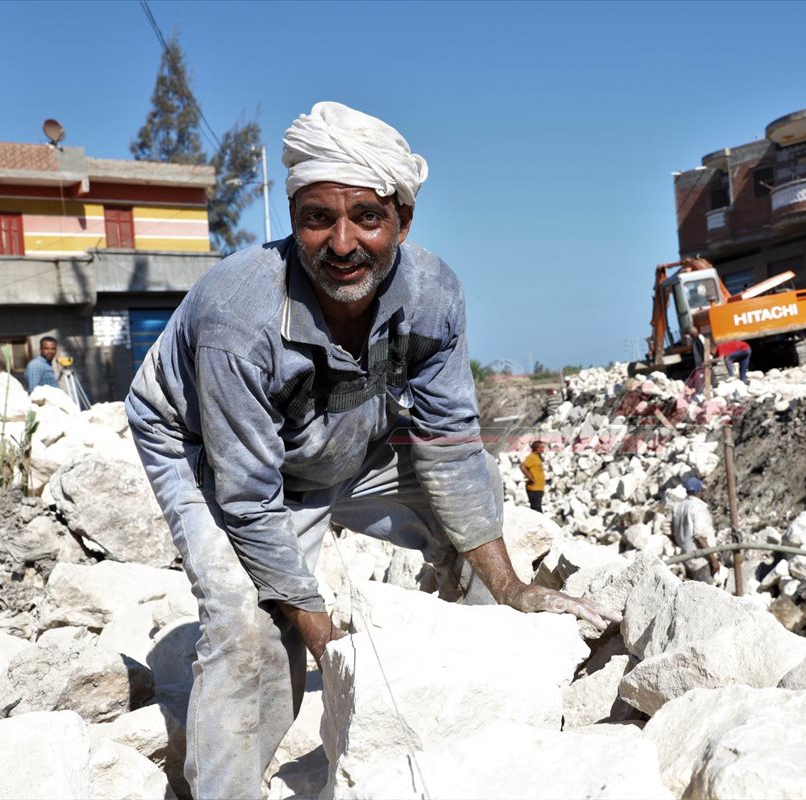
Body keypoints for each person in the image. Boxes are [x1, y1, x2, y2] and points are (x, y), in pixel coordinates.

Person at [125, 101, 619, 799]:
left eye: (367, 217)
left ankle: (473, 707)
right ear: (293, 219)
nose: (342, 243)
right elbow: (249, 497)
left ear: (403, 222)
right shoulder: (238, 318)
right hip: (206, 446)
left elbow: (449, 442)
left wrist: (511, 587)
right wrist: (328, 645)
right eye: (317, 219)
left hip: (341, 432)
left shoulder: (433, 294)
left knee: (478, 505)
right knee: (248, 623)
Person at [671, 477, 722, 583]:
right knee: (706, 591)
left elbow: (665, 527)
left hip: (686, 558)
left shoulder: (678, 507)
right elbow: (699, 536)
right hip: (701, 560)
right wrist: (713, 560)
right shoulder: (698, 508)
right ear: (699, 491)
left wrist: (680, 543)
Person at [520, 440, 548, 512]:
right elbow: (522, 466)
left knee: (537, 508)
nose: (543, 449)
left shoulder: (537, 457)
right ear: (536, 448)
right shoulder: (531, 457)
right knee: (536, 509)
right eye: (541, 447)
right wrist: (531, 478)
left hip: (538, 487)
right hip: (534, 488)